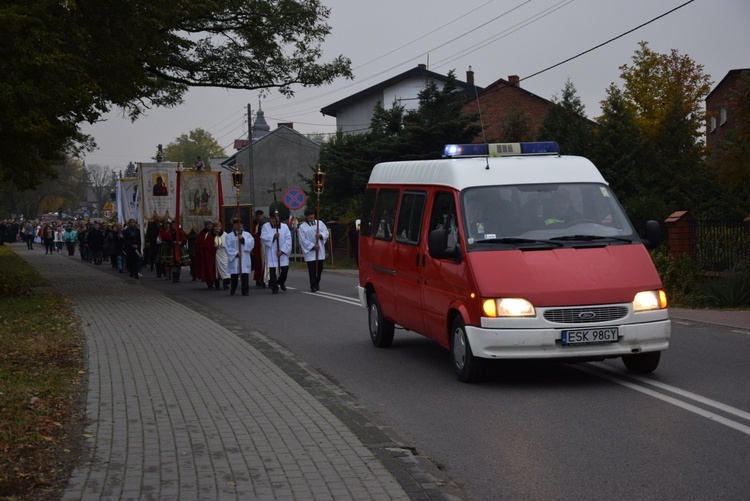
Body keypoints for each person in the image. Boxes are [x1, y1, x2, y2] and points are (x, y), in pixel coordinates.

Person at [297, 208, 329, 292]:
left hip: (319, 250)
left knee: (320, 269)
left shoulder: (320, 223)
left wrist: (321, 235)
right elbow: (302, 239)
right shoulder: (302, 227)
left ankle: (317, 282)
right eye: (309, 215)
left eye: (312, 215)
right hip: (310, 251)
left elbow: (326, 233)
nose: (311, 216)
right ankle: (313, 285)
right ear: (306, 217)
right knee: (312, 270)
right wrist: (312, 246)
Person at [260, 211, 292, 294]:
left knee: (285, 269)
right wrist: (273, 236)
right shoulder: (265, 227)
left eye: (275, 218)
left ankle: (281, 282)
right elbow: (263, 237)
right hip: (271, 251)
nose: (274, 220)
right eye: (272, 218)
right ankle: (274, 287)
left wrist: (283, 250)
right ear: (270, 219)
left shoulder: (284, 227)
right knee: (272, 270)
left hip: (282, 250)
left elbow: (288, 239)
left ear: (278, 218)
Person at [224, 218, 253, 296]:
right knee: (234, 276)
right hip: (235, 259)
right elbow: (227, 247)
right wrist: (236, 253)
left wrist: (243, 240)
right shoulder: (229, 236)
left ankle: (245, 291)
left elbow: (251, 244)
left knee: (245, 275)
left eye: (240, 224)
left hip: (244, 258)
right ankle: (233, 288)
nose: (239, 226)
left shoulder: (247, 235)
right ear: (234, 225)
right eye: (237, 224)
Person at [195, 219, 219, 289]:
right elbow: (199, 244)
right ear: (205, 225)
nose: (209, 225)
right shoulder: (202, 233)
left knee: (216, 268)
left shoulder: (214, 232)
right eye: (208, 224)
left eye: (211, 224)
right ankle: (209, 282)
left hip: (215, 253)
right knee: (208, 268)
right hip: (206, 254)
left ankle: (216, 281)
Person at [251, 209, 267, 288]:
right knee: (258, 263)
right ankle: (258, 279)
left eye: (260, 215)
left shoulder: (265, 223)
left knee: (264, 263)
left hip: (264, 245)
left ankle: (264, 279)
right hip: (256, 245)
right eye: (257, 215)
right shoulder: (253, 224)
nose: (259, 217)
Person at [213, 221, 230, 290]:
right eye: (216, 226)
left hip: (223, 253)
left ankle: (225, 283)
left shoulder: (225, 234)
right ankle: (216, 283)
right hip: (215, 253)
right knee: (216, 269)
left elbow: (228, 243)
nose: (217, 228)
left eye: (219, 226)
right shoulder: (211, 235)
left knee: (225, 268)